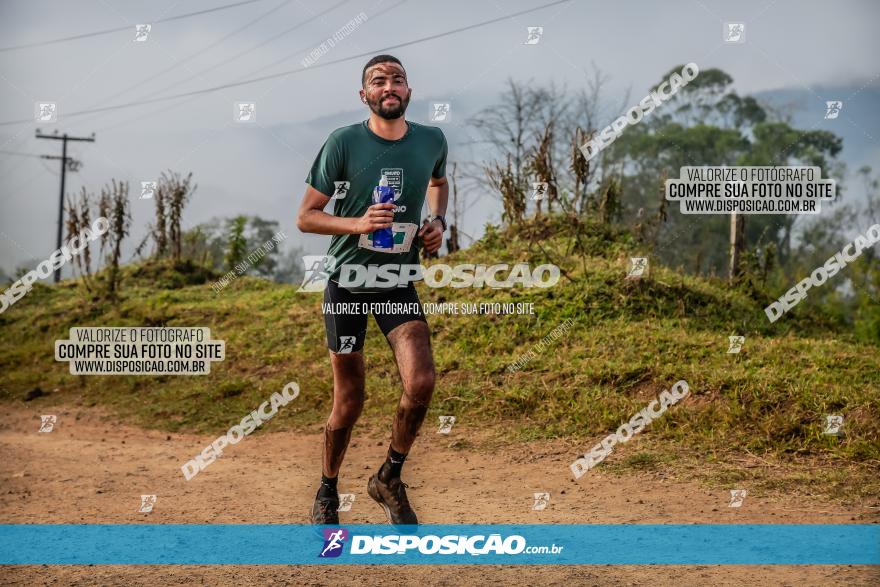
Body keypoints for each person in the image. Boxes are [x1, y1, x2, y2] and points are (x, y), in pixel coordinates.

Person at [296, 54, 449, 526]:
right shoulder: (343, 142)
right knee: (351, 400)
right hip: (348, 282)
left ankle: (389, 477)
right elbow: (306, 216)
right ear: (364, 94)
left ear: (409, 91)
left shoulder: (431, 139)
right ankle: (327, 488)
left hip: (396, 280)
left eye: (397, 79)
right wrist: (358, 223)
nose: (389, 86)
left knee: (421, 380)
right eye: (378, 81)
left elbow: (440, 182)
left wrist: (437, 222)